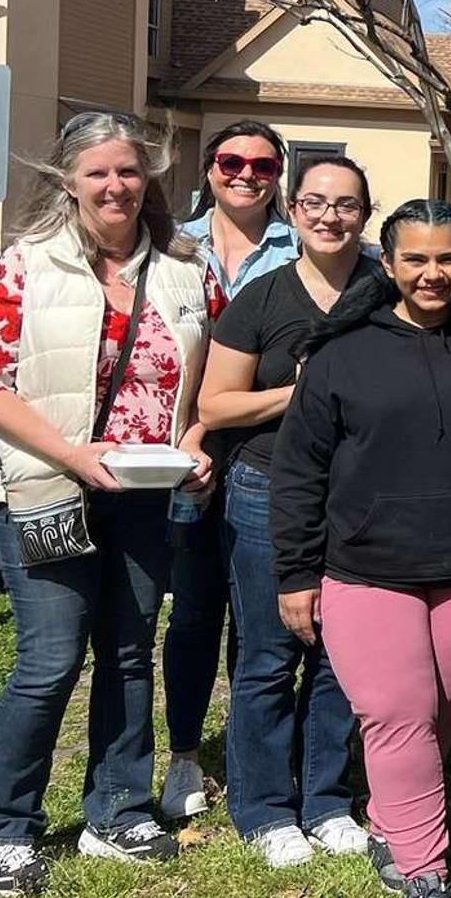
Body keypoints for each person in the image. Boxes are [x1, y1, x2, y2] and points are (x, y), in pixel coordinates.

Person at [0, 112, 222, 895]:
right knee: (49, 657)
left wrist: (197, 441)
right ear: (69, 180)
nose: (116, 186)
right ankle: (3, 828)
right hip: (44, 491)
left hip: (143, 496)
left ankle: (118, 810)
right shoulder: (26, 265)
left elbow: (209, 382)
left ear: (150, 180)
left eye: (130, 171)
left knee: (131, 648)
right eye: (99, 173)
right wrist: (73, 454)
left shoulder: (186, 265)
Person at [272, 200, 451, 898]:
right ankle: (423, 866)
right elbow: (299, 470)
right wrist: (296, 573)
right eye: (415, 258)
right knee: (398, 713)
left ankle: (387, 820)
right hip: (365, 567)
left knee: (437, 709)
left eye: (448, 258)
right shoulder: (342, 351)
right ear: (389, 262)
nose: (432, 273)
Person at [195, 156, 379, 867]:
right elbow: (216, 404)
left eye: (347, 205)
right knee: (271, 652)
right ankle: (264, 805)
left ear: (365, 215)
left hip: (362, 498)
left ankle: (327, 800)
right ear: (294, 211)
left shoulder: (383, 291)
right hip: (266, 487)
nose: (331, 216)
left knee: (341, 655)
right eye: (316, 202)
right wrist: (302, 392)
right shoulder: (263, 299)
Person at [166, 118, 301, 820]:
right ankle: (185, 756)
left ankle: (264, 755)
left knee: (257, 620)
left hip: (259, 452)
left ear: (279, 175)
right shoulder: (171, 247)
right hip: (179, 455)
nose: (245, 174)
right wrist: (188, 432)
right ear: (209, 168)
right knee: (192, 610)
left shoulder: (300, 247)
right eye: (231, 160)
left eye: (262, 165)